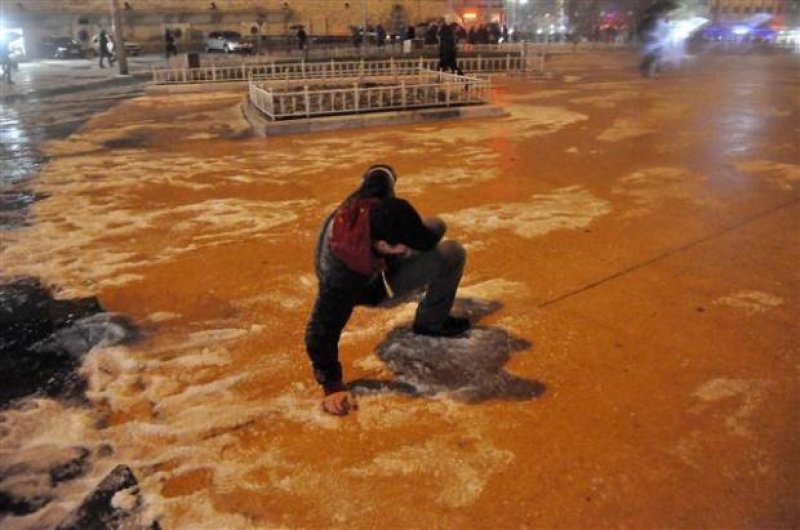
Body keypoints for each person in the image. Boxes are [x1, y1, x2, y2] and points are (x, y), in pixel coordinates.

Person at [305, 165, 469, 416]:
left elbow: (380, 173)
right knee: (452, 254)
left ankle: (413, 265)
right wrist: (332, 385)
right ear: (382, 244)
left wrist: (383, 171)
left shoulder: (367, 203)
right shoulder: (343, 277)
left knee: (436, 226)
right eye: (400, 248)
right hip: (371, 287)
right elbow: (320, 330)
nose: (406, 250)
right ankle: (431, 323)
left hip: (374, 257)